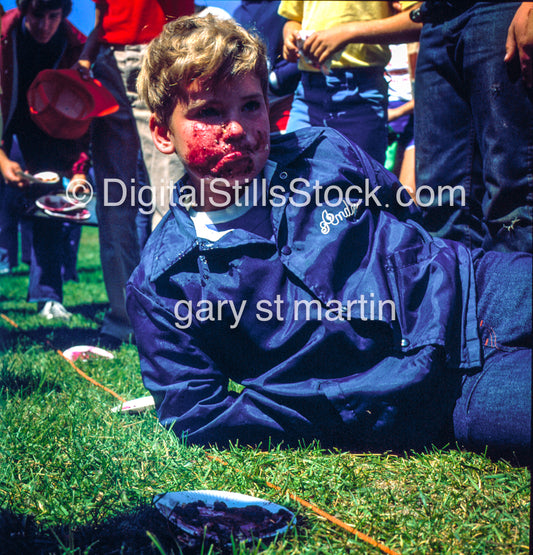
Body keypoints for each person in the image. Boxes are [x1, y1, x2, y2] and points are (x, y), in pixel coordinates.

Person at [127, 15, 531, 461]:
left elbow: (406, 211)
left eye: (250, 105)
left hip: (478, 289)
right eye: (208, 112)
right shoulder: (165, 285)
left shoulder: (324, 153)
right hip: (447, 395)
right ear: (164, 134)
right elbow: (197, 414)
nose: (238, 129)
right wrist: (330, 405)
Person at [75, 0, 194, 347]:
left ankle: (172, 316)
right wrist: (88, 52)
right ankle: (122, 317)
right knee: (114, 197)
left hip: (163, 50)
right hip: (109, 59)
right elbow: (104, 15)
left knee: (170, 194)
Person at [413, 1, 533, 252]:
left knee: (514, 204)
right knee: (438, 205)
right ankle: (458, 290)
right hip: (435, 19)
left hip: (498, 9)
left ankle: (514, 290)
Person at [0, 0, 88, 318]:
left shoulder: (75, 45)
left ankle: (48, 297)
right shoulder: (3, 37)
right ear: (24, 10)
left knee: (49, 202)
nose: (45, 26)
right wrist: (1, 157)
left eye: (54, 17)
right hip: (4, 114)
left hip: (45, 126)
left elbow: (79, 113)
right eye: (38, 15)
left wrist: (79, 170)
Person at [279, 1, 420, 164]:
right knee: (293, 180)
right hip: (307, 95)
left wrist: (348, 32)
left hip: (360, 96)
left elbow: (419, 18)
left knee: (360, 184)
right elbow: (293, 18)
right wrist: (290, 35)